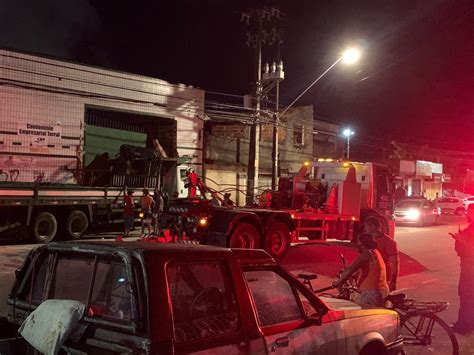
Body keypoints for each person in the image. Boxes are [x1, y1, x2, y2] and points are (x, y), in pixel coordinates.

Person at [333, 233, 389, 306]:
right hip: (381, 291)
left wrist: (338, 282)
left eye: (359, 244)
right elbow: (366, 271)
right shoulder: (375, 252)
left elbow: (351, 269)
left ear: (364, 245)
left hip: (371, 293)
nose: (357, 247)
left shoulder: (367, 254)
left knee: (353, 310)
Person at [450, 204, 474, 334]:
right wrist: (459, 241)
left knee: (467, 295)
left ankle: (465, 325)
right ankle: (465, 323)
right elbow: (460, 251)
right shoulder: (468, 229)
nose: (469, 215)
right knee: (465, 295)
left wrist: (463, 241)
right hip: (467, 266)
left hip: (470, 269)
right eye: (469, 213)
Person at [364, 216, 400, 291]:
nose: (365, 229)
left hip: (381, 279)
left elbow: (395, 264)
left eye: (366, 226)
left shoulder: (389, 242)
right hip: (368, 278)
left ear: (373, 226)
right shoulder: (367, 240)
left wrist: (393, 282)